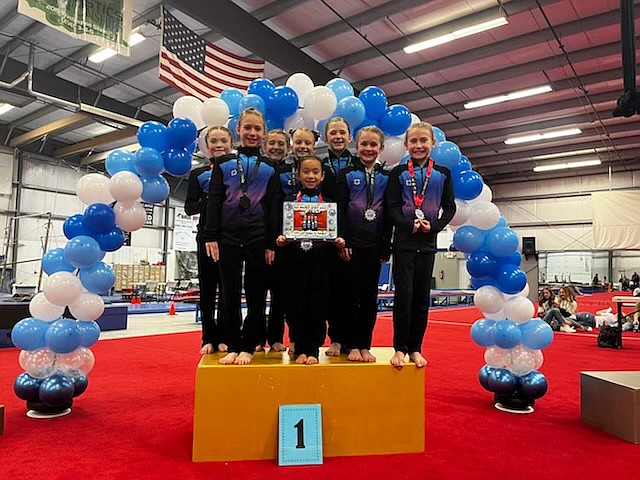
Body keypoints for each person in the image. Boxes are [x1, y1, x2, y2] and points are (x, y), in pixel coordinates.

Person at [203, 108, 281, 365]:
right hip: (227, 237)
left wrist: (271, 242)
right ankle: (233, 344)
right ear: (238, 130)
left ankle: (249, 344)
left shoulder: (270, 167)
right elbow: (214, 201)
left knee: (257, 294)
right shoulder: (224, 163)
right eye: (247, 128)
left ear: (264, 133)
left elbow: (274, 207)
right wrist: (210, 235)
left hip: (258, 238)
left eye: (257, 129)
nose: (252, 133)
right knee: (229, 294)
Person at [385, 122, 456, 368]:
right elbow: (391, 207)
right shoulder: (398, 173)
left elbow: (450, 207)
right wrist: (407, 225)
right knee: (403, 296)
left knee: (421, 299)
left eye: (423, 141)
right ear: (406, 145)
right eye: (413, 141)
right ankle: (400, 348)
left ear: (432, 143)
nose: (418, 146)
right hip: (404, 243)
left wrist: (434, 227)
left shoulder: (443, 173)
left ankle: (416, 348)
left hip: (427, 243)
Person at [276, 156, 345, 364]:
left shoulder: (330, 204)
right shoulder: (288, 202)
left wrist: (338, 240)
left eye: (315, 172)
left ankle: (313, 349)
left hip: (321, 260)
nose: (311, 176)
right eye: (306, 172)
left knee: (318, 306)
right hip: (294, 260)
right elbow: (279, 228)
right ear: (298, 175)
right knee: (295, 305)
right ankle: (298, 345)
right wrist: (280, 238)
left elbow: (336, 231)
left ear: (323, 175)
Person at [336, 126, 391, 362]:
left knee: (369, 299)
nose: (368, 149)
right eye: (364, 144)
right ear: (356, 146)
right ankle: (350, 344)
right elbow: (339, 209)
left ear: (381, 148)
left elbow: (389, 214)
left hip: (373, 246)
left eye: (373, 145)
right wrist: (344, 240)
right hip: (352, 246)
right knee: (349, 297)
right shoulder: (346, 174)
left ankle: (364, 343)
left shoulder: (387, 178)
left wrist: (385, 245)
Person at [185, 125, 232, 355]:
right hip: (205, 237)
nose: (219, 145)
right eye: (214, 141)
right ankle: (207, 337)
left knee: (227, 289)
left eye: (223, 140)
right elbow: (189, 207)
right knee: (208, 288)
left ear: (231, 144)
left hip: (229, 237)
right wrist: (211, 201)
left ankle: (224, 334)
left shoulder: (236, 171)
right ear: (207, 146)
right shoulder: (199, 174)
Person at [322, 117, 355, 356]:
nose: (338, 136)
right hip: (324, 237)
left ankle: (351, 338)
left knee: (349, 291)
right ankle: (334, 338)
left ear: (349, 137)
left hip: (350, 235)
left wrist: (347, 238)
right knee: (330, 292)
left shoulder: (357, 166)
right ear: (325, 138)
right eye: (333, 133)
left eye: (342, 132)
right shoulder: (319, 166)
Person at [257, 129, 291, 353]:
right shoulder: (257, 169)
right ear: (263, 145)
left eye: (281, 144)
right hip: (259, 237)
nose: (276, 147)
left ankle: (276, 336)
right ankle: (257, 336)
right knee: (258, 292)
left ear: (287, 148)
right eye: (272, 143)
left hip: (285, 240)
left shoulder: (291, 172)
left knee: (280, 293)